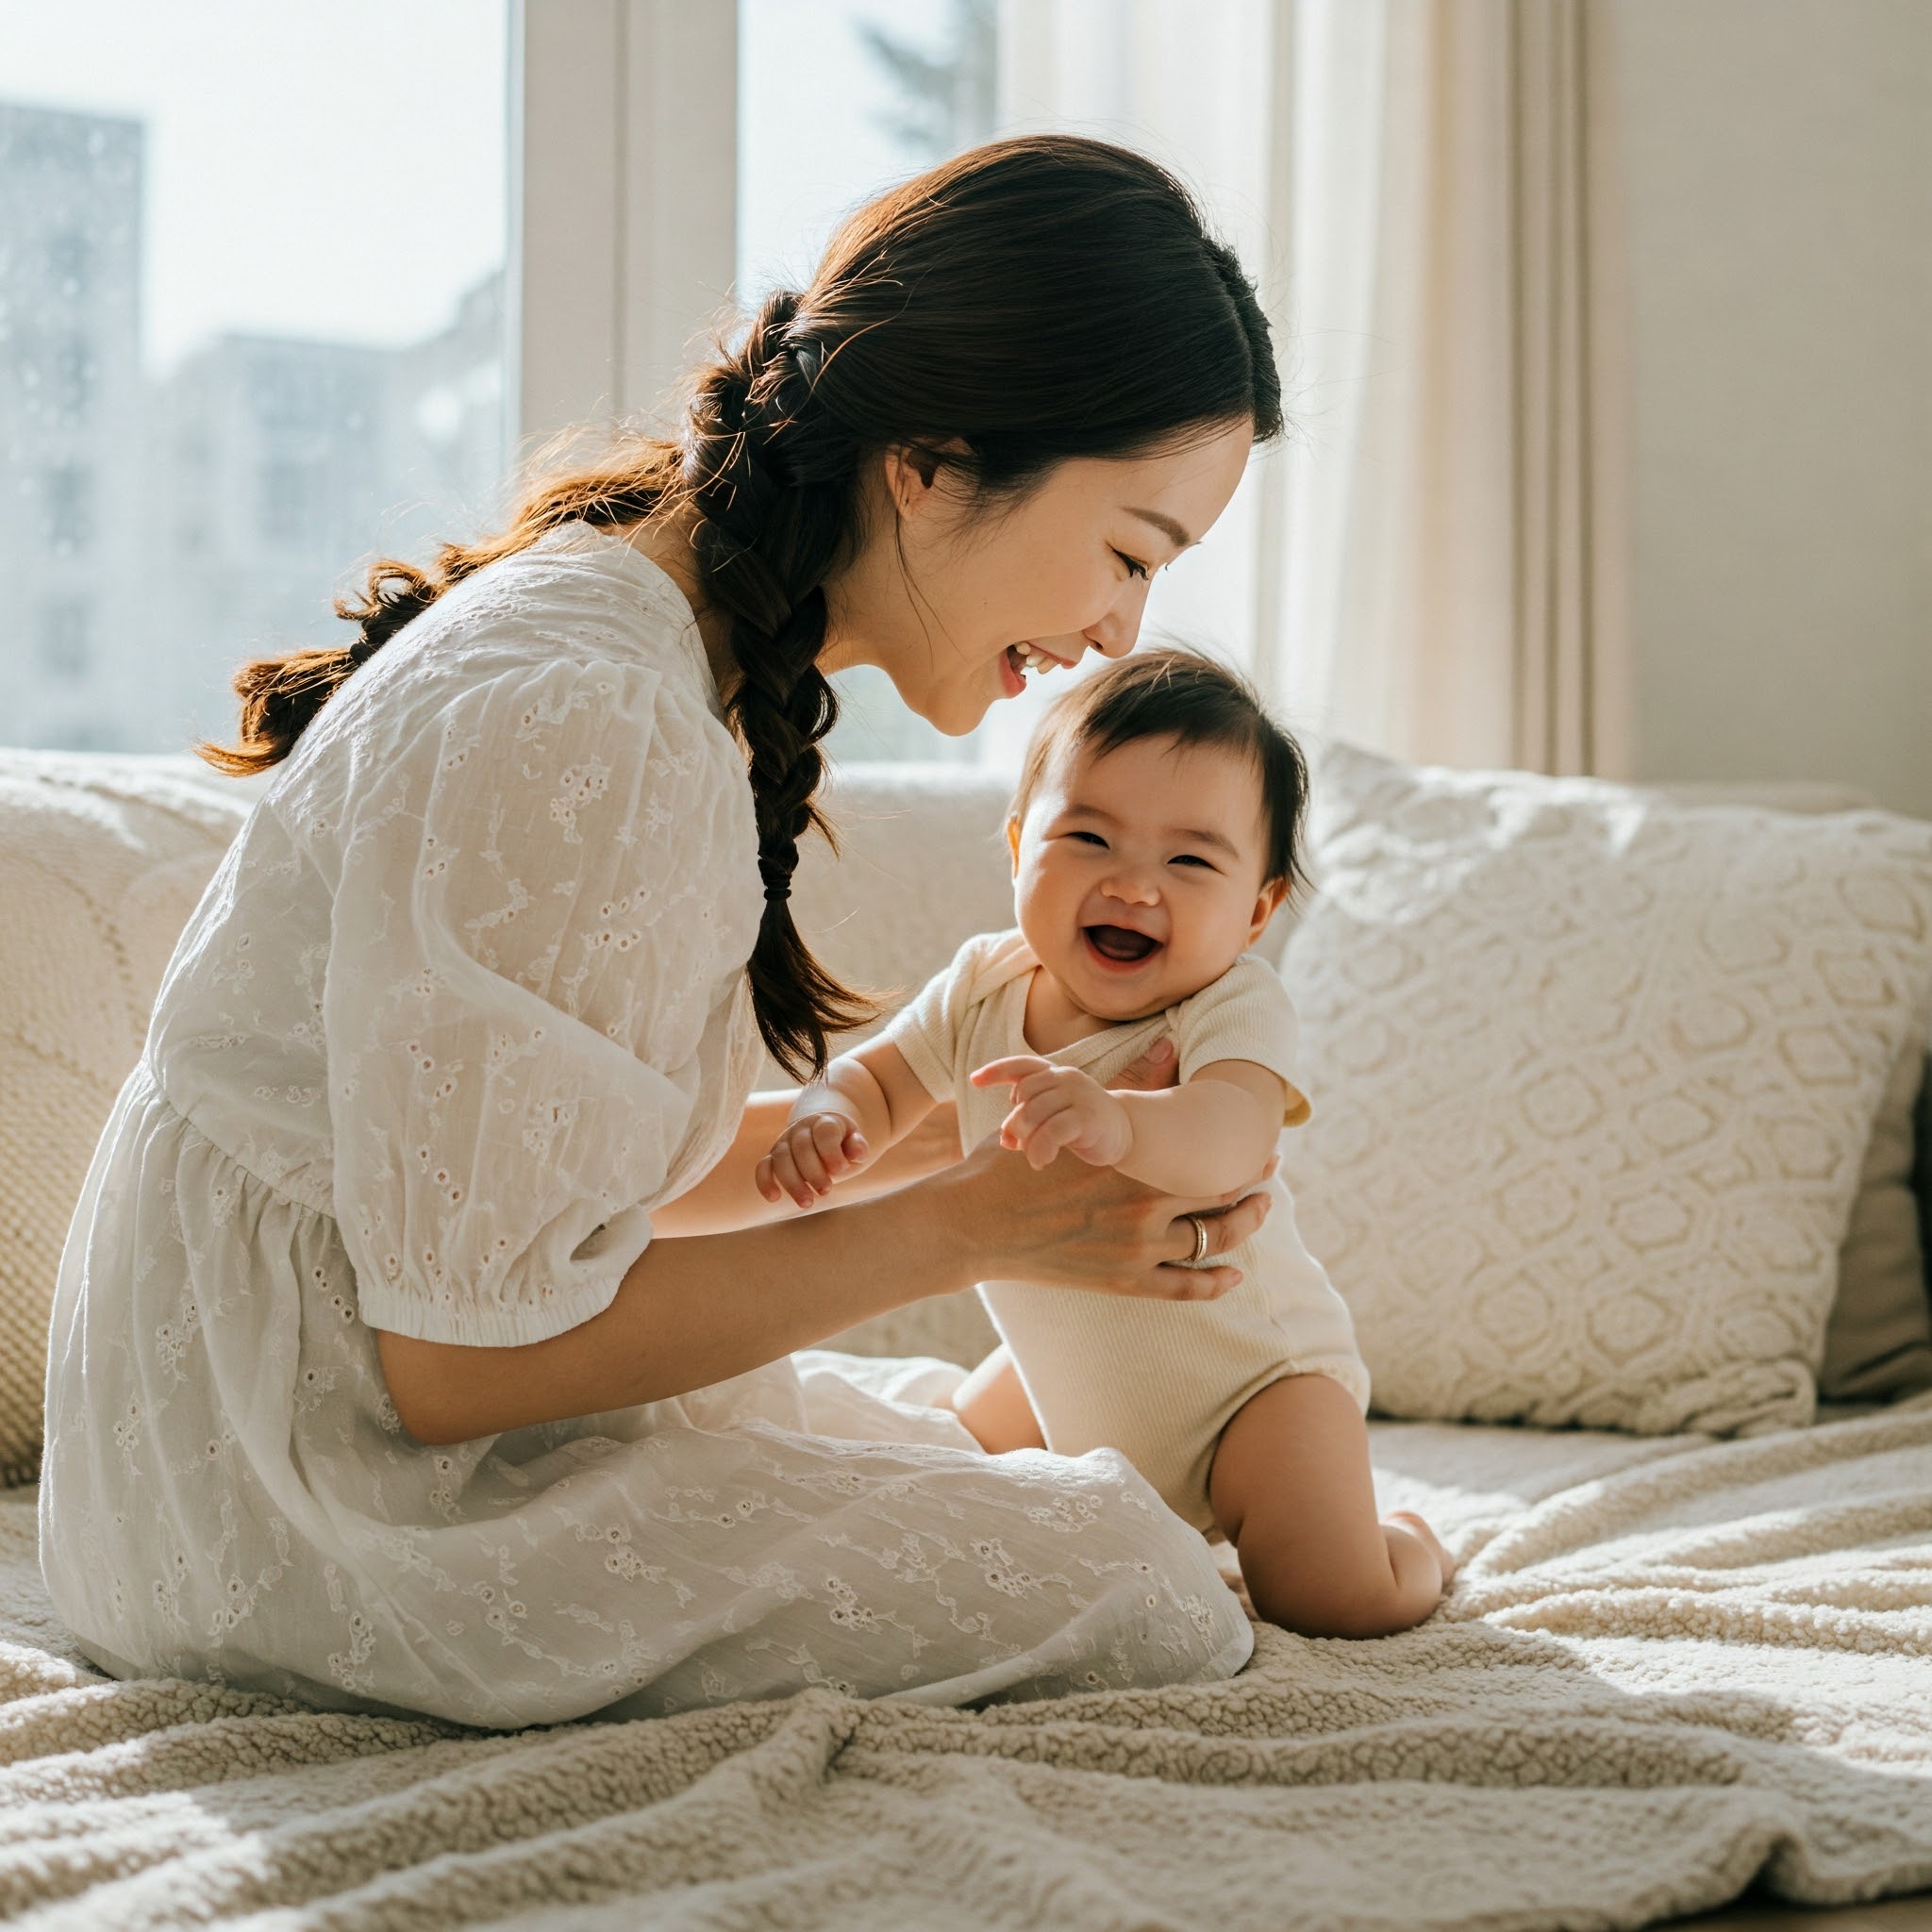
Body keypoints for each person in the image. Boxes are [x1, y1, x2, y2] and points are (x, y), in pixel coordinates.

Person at [39, 138, 1287, 1729]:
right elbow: (456, 1364)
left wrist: (964, 1157)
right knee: (1136, 1576)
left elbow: (537, 1174)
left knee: (1026, 1474)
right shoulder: (589, 713)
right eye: (1129, 550)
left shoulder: (642, 642)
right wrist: (968, 1227)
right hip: (294, 1488)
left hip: (258, 1430)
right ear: (931, 455)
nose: (1123, 630)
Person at [758, 650, 1455, 1637]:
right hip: (1063, 1377)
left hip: (1250, 1388)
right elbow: (876, 1074)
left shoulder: (1229, 1004)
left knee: (1331, 1598)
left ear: (1255, 911)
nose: (1133, 884)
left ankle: (1413, 1540)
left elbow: (1230, 1136)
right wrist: (826, 1117)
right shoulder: (982, 985)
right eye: (1088, 837)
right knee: (945, 1492)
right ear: (1014, 847)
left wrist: (1120, 1119)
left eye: (1189, 859)